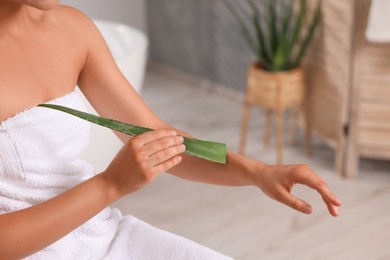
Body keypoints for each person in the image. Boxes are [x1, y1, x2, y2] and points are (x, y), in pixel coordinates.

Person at [0, 0, 342, 259]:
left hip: (98, 235)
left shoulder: (71, 30)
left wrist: (258, 172)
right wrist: (111, 184)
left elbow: (157, 136)